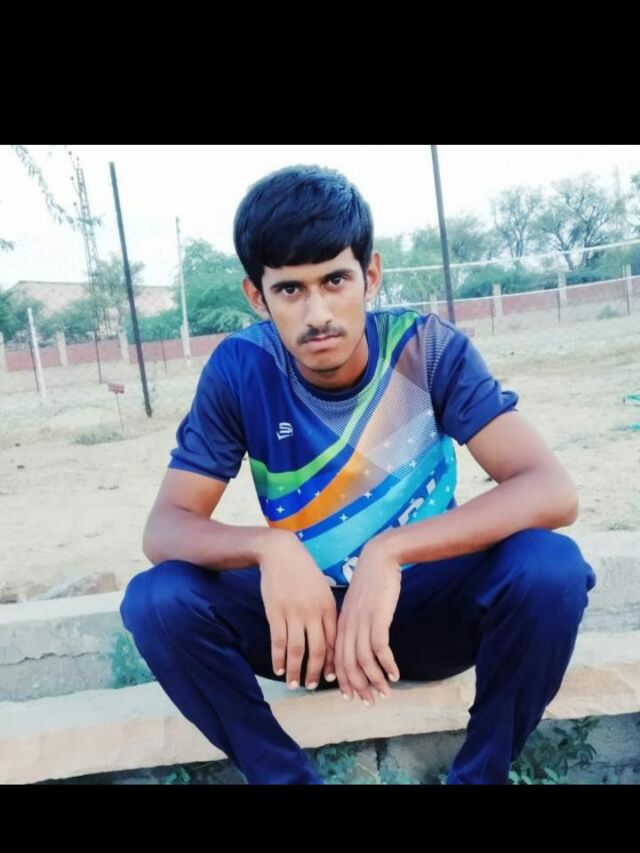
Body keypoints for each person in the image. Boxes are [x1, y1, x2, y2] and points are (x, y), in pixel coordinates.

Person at [120, 164, 596, 784]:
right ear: (256, 296)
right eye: (290, 290)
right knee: (158, 602)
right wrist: (270, 548)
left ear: (369, 275)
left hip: (426, 614)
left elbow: (550, 490)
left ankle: (479, 777)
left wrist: (390, 552)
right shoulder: (241, 369)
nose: (317, 312)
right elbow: (165, 528)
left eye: (335, 280)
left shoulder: (427, 351)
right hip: (306, 633)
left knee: (550, 569)